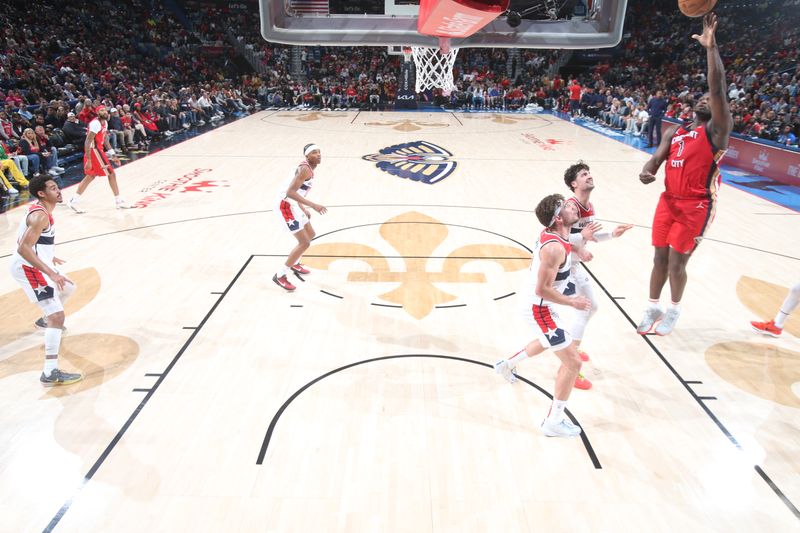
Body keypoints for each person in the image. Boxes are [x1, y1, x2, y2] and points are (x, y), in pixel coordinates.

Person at [636, 14, 733, 336]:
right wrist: (647, 172)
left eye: (711, 99)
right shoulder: (674, 133)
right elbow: (655, 161)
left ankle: (674, 310)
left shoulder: (717, 131)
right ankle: (652, 306)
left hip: (696, 204)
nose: (707, 98)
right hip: (668, 201)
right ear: (693, 105)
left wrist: (711, 47)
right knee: (658, 259)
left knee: (678, 263)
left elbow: (717, 87)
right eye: (702, 98)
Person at [493, 193, 593, 438]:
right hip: (539, 308)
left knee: (548, 340)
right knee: (573, 362)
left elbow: (572, 242)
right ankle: (554, 421)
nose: (573, 206)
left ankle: (506, 365)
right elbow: (542, 289)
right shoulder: (554, 248)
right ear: (558, 218)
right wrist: (572, 301)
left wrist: (581, 245)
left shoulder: (559, 235)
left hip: (540, 306)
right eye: (567, 207)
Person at [563, 162, 634, 379]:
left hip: (574, 264)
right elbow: (557, 238)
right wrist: (578, 249)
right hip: (562, 267)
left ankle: (570, 346)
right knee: (584, 309)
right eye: (584, 174)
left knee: (590, 307)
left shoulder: (590, 207)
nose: (589, 176)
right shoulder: (570, 206)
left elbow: (589, 236)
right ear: (574, 184)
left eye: (589, 173)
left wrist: (613, 234)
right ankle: (569, 362)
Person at [8, 175, 81, 386]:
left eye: (57, 187)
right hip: (28, 267)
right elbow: (23, 248)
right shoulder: (40, 216)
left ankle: (44, 320)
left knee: (69, 287)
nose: (58, 191)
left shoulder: (41, 211)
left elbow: (25, 239)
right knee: (57, 316)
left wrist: (49, 256)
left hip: (35, 262)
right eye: (52, 188)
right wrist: (50, 271)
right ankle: (50, 371)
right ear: (41, 193)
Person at [273, 144, 327, 292]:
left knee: (311, 234)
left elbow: (297, 191)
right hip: (285, 206)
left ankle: (295, 262)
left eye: (319, 151)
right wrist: (313, 205)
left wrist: (302, 208)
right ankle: (280, 275)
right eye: (314, 152)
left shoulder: (309, 168)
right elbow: (290, 192)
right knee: (304, 242)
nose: (318, 154)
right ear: (307, 156)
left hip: (293, 205)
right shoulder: (305, 169)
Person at [67, 106, 129, 213]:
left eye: (105, 110)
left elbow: (105, 139)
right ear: (97, 113)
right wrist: (89, 160)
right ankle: (119, 201)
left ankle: (74, 200)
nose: (104, 112)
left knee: (91, 176)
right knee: (111, 174)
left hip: (98, 149)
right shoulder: (95, 123)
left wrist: (113, 154)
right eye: (101, 110)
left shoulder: (105, 122)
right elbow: (87, 141)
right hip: (93, 150)